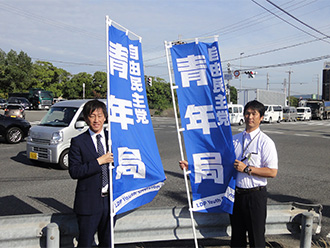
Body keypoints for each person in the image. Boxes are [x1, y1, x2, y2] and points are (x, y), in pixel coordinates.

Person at [179, 100, 278, 248]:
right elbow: (219, 160)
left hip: (255, 196)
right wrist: (192, 166)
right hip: (236, 195)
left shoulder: (265, 142)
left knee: (256, 238)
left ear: (261, 117)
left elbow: (272, 172)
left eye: (254, 114)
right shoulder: (236, 139)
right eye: (247, 113)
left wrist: (247, 169)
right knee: (237, 237)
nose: (250, 117)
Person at [69, 99, 114, 248]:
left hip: (111, 201)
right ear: (86, 118)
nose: (96, 120)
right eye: (92, 116)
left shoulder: (113, 139)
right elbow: (74, 171)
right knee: (85, 243)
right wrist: (99, 161)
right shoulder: (78, 141)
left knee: (107, 242)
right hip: (88, 202)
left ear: (105, 117)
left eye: (100, 116)